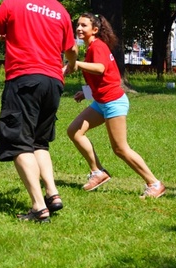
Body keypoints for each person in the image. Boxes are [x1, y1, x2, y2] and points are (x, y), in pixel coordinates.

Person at [0, 0, 78, 223]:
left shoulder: (15, 1)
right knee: (39, 142)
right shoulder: (61, 11)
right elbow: (71, 51)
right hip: (53, 83)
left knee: (17, 142)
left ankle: (38, 207)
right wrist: (69, 66)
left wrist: (3, 35)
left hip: (24, 79)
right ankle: (53, 193)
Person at [67, 13, 166, 198]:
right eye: (78, 25)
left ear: (94, 30)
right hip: (101, 101)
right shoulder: (90, 48)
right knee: (74, 131)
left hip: (113, 102)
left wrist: (76, 64)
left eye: (84, 25)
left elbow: (101, 68)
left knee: (120, 148)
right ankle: (98, 172)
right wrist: (86, 92)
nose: (79, 28)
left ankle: (154, 183)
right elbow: (106, 78)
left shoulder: (97, 46)